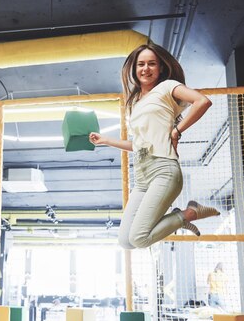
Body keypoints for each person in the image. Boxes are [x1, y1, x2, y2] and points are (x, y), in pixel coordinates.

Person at [89, 43, 219, 249]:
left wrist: (177, 131)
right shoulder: (133, 103)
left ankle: (189, 213)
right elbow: (138, 145)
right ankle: (180, 218)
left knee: (139, 238)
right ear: (134, 69)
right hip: (142, 176)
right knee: (125, 242)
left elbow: (202, 101)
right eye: (141, 64)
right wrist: (105, 140)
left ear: (160, 68)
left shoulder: (167, 87)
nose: (145, 69)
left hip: (164, 170)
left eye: (152, 64)